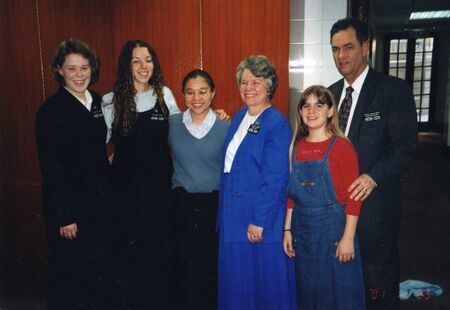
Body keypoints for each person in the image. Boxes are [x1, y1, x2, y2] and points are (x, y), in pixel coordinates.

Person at [328, 17, 417, 309]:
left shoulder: (393, 90)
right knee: (343, 283)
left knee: (377, 281)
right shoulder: (330, 94)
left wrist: (372, 176)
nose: (341, 56)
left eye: (348, 47)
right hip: (337, 210)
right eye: (335, 49)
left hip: (375, 207)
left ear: (365, 47)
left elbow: (405, 146)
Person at [101, 39, 181, 308]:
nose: (143, 66)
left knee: (159, 254)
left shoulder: (164, 95)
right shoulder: (110, 101)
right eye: (136, 60)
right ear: (127, 66)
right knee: (128, 256)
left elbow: (184, 133)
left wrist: (216, 117)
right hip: (124, 194)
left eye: (148, 60)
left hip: (159, 191)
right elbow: (94, 144)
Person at [217, 55, 296, 309]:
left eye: (256, 82)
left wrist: (259, 221)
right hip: (233, 216)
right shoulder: (239, 117)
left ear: (269, 85)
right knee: (238, 286)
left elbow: (275, 178)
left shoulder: (277, 124)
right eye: (243, 82)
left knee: (262, 288)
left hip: (257, 221)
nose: (248, 88)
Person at [35, 39, 109, 309]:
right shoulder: (50, 111)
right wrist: (64, 216)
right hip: (71, 211)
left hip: (99, 206)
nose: (79, 75)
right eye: (72, 69)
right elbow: (51, 168)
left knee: (97, 275)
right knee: (70, 279)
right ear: (59, 71)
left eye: (84, 68)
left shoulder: (101, 102)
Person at [283, 85, 365, 309]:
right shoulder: (296, 147)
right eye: (306, 106)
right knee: (309, 292)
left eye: (319, 105)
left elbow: (354, 198)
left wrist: (348, 238)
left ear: (330, 111)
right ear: (300, 112)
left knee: (340, 293)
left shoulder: (342, 148)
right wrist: (287, 229)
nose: (311, 110)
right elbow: (292, 194)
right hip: (303, 230)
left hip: (334, 230)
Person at [168, 69, 230, 309]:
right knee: (184, 269)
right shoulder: (172, 123)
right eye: (190, 93)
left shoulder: (225, 125)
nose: (196, 98)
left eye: (203, 92)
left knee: (210, 268)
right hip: (182, 205)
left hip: (213, 205)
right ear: (182, 95)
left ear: (213, 93)